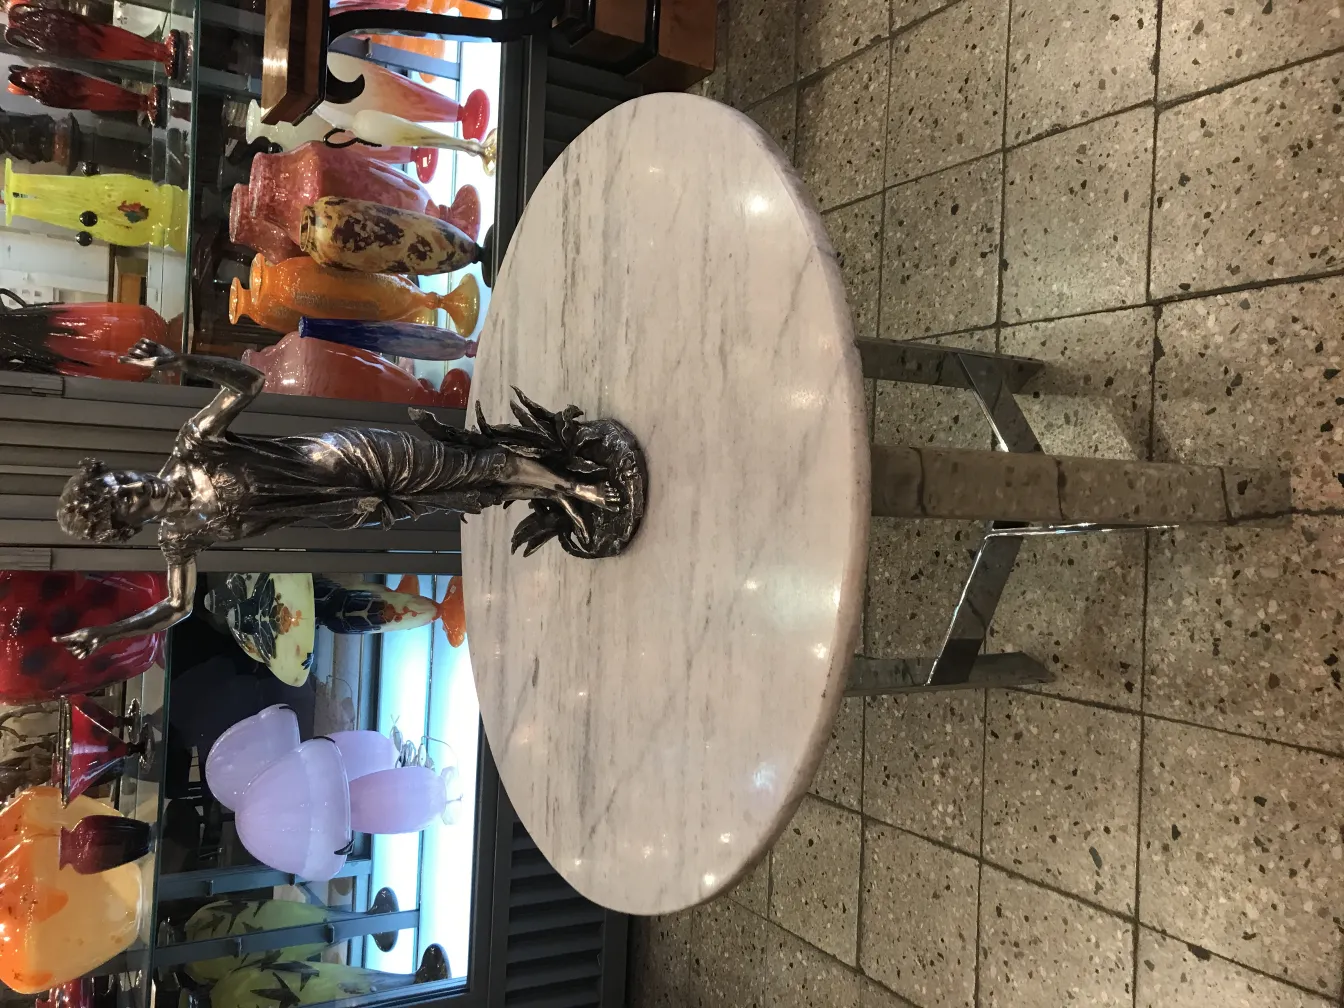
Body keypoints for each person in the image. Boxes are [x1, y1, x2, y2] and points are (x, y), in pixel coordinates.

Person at [54, 339, 618, 659]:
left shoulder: (193, 444)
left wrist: (184, 363)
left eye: (121, 481)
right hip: (352, 508)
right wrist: (109, 632)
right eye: (124, 503)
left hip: (351, 457)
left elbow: (247, 384)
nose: (135, 489)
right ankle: (556, 488)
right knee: (470, 492)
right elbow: (176, 607)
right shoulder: (180, 536)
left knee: (468, 463)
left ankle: (580, 485)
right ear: (127, 526)